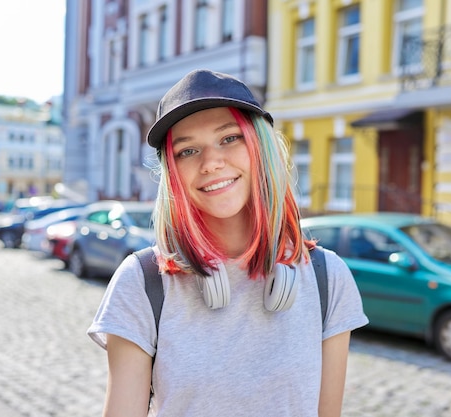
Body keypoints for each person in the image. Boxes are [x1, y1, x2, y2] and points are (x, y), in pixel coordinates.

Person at [87, 69, 368, 417]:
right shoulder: (141, 282)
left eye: (229, 138)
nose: (210, 163)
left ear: (260, 148)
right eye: (187, 151)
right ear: (172, 174)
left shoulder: (328, 279)